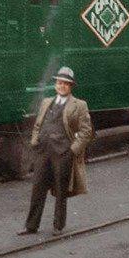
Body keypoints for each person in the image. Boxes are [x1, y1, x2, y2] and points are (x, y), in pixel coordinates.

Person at [21, 67, 94, 235]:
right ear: (55, 85)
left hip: (62, 153)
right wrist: (35, 141)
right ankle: (31, 226)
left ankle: (58, 226)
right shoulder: (47, 102)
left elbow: (86, 131)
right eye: (59, 83)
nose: (61, 86)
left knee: (61, 190)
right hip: (43, 151)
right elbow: (38, 124)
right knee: (37, 187)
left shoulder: (79, 105)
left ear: (71, 86)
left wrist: (72, 150)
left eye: (65, 84)